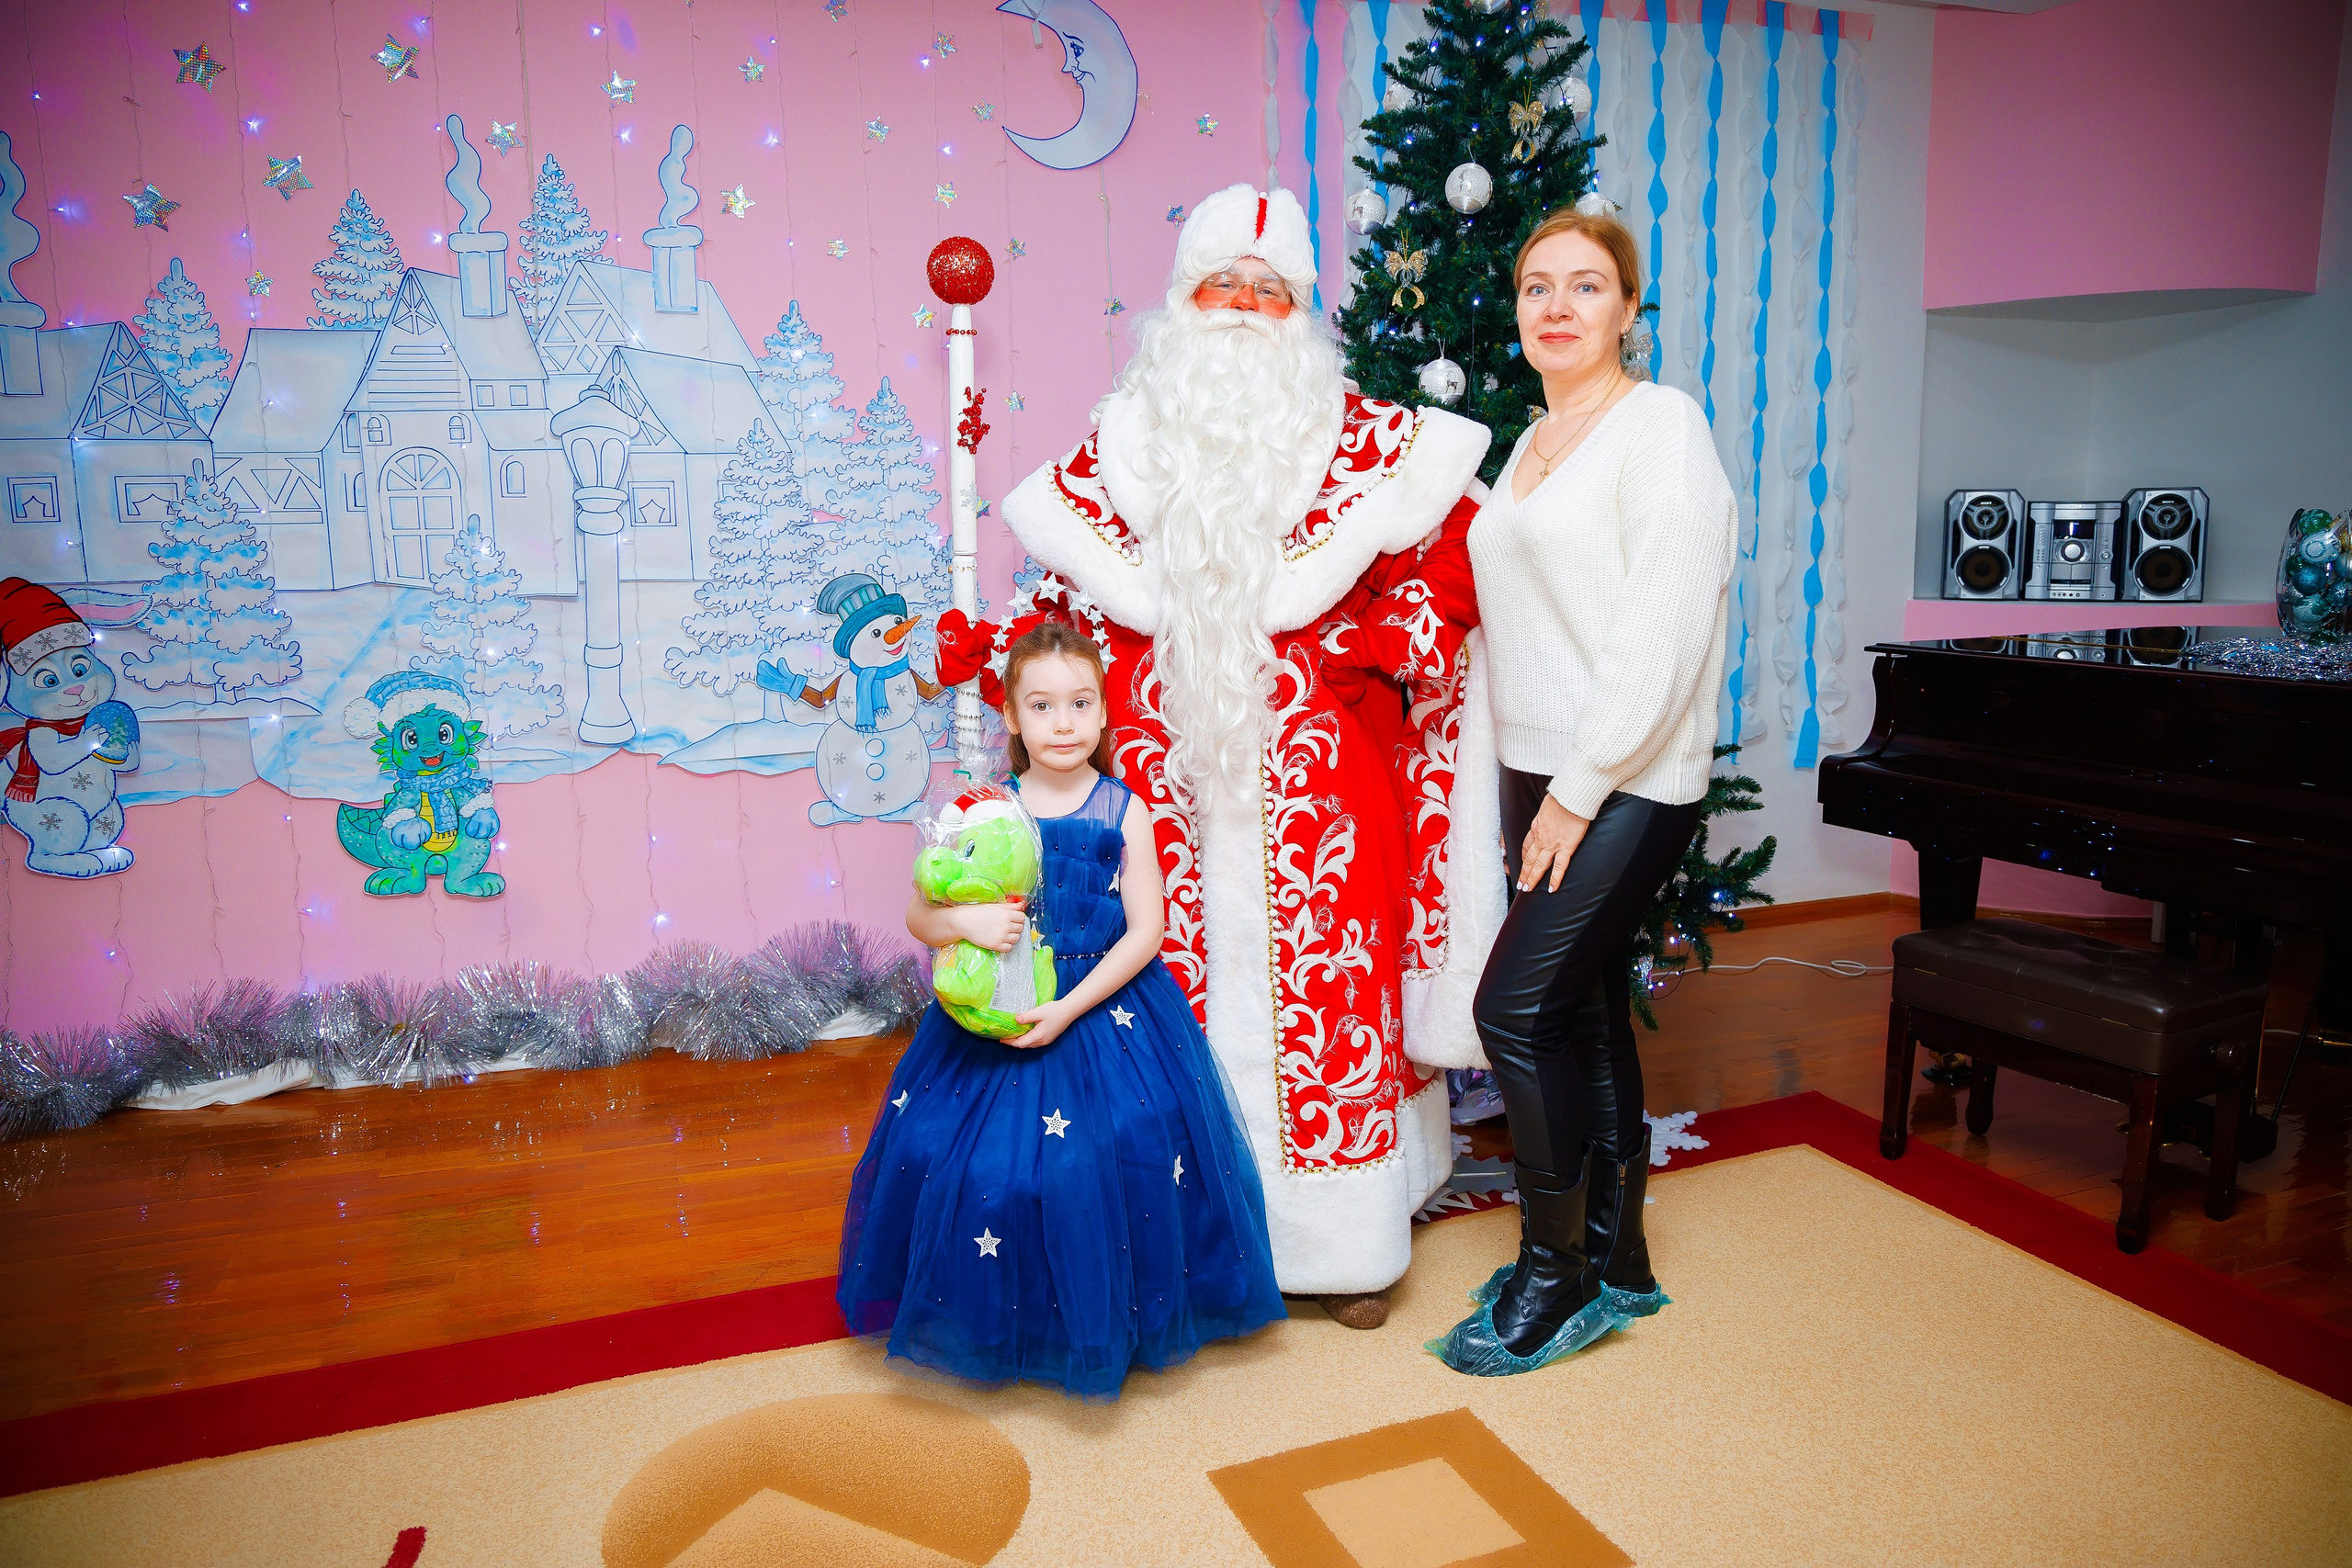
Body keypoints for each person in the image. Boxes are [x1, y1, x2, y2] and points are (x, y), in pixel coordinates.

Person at [933, 184, 1504, 1329]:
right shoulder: (1118, 454)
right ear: (1179, 307)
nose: (1244, 309)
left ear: (1302, 314)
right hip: (1164, 799)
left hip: (1322, 796)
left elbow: (1451, 560)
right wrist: (995, 653)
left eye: (1269, 291)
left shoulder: (1375, 448)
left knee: (1332, 1007)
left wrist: (1386, 641)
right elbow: (1060, 609)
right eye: (1221, 287)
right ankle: (1192, 1246)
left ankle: (1343, 1252)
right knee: (1165, 1008)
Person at [1430, 206, 1736, 1376]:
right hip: (1533, 766)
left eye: (1586, 287)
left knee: (1513, 1009)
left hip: (1624, 773)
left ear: (1627, 309)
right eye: (1535, 287)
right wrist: (1527, 781)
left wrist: (1578, 789)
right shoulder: (1529, 442)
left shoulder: (1660, 428)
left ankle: (1552, 1278)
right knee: (1584, 1006)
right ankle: (1618, 1256)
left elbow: (1656, 635)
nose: (1556, 307)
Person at [837, 620, 1284, 1399]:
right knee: (975, 1164)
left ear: (1105, 712)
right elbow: (921, 915)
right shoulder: (983, 811)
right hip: (995, 1013)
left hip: (1103, 1008)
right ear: (1010, 716)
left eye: (1081, 703)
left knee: (1114, 1159)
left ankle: (1110, 1317)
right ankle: (1006, 1315)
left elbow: (1147, 932)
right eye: (1042, 706)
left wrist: (1068, 1008)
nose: (1064, 722)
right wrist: (965, 923)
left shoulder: (1124, 811)